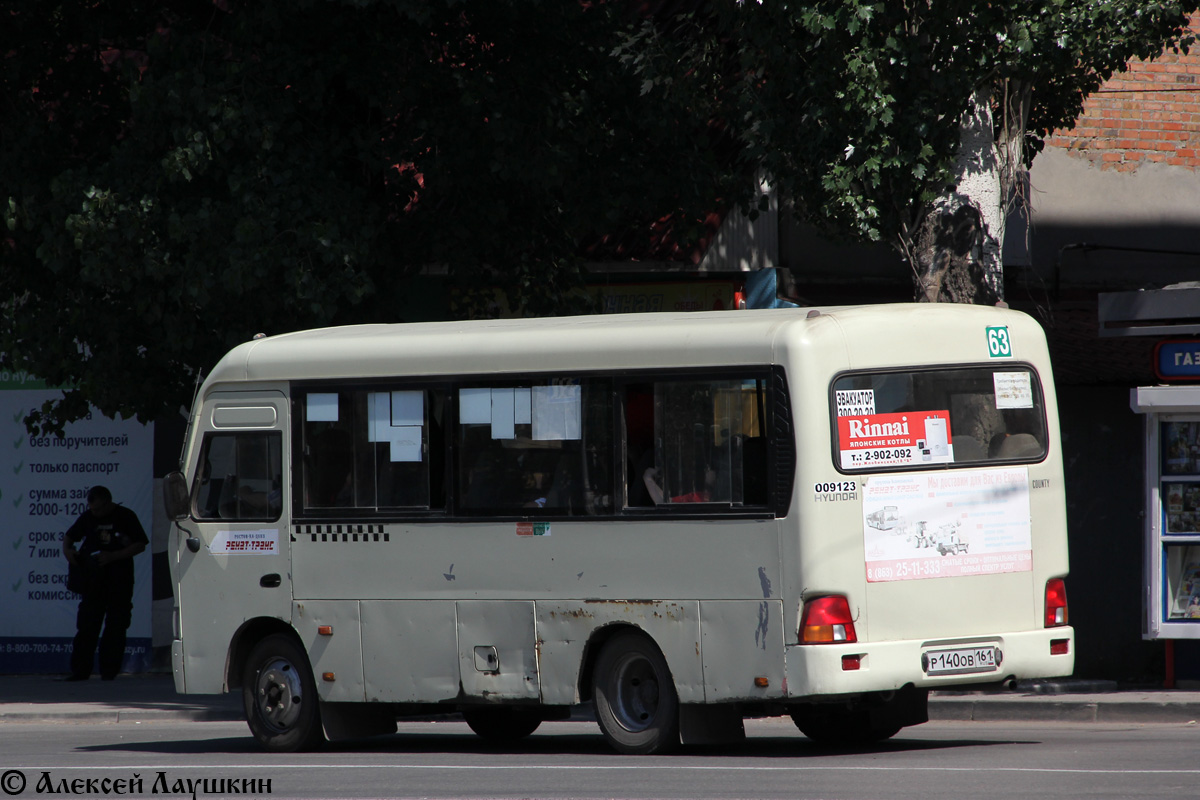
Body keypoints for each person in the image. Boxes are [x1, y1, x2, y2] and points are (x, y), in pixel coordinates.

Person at [61, 485, 148, 681]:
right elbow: (69, 537)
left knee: (116, 626)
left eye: (99, 508)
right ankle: (80, 671)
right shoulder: (88, 517)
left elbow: (140, 544)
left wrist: (114, 556)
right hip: (92, 580)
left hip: (119, 579)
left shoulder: (125, 516)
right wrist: (69, 553)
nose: (96, 512)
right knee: (87, 626)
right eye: (92, 508)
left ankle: (109, 671)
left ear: (108, 503)